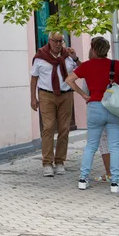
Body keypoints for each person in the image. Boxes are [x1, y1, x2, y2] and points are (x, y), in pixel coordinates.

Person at [66, 36, 119, 194]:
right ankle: (115, 182)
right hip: (113, 108)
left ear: (93, 49)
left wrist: (83, 95)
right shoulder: (115, 64)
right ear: (107, 49)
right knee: (114, 146)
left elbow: (69, 80)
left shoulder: (87, 65)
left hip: (95, 107)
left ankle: (83, 180)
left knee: (91, 145)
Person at [30, 32, 80, 177]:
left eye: (61, 41)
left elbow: (83, 69)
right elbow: (34, 79)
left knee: (64, 128)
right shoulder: (40, 57)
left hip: (66, 95)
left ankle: (60, 162)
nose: (58, 44)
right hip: (46, 95)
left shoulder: (68, 56)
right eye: (55, 41)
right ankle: (47, 163)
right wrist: (33, 98)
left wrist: (75, 58)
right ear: (49, 41)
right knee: (48, 127)